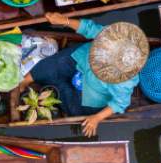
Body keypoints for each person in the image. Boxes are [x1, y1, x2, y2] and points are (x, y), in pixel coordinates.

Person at [18, 12, 149, 137]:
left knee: (75, 110)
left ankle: (55, 83)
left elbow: (119, 103)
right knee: (57, 63)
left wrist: (97, 118)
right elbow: (90, 29)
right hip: (80, 58)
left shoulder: (125, 81)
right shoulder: (115, 36)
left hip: (89, 93)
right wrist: (65, 21)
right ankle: (26, 80)